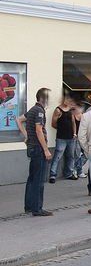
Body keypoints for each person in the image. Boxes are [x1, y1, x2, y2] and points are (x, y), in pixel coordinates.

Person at [16, 88, 53, 216]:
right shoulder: (39, 111)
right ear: (43, 98)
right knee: (39, 179)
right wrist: (46, 149)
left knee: (32, 178)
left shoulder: (32, 109)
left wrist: (26, 135)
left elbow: (19, 120)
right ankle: (37, 209)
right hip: (38, 148)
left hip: (32, 147)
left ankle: (29, 206)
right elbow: (39, 130)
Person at [48, 93, 78, 182]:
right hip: (61, 138)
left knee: (71, 156)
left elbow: (73, 122)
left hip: (71, 138)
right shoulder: (58, 110)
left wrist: (74, 133)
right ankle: (52, 175)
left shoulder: (71, 110)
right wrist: (61, 129)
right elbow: (53, 123)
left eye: (69, 99)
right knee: (57, 156)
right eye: (67, 99)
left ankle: (69, 173)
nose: (68, 101)